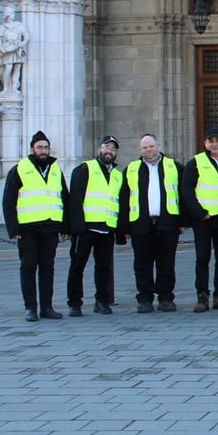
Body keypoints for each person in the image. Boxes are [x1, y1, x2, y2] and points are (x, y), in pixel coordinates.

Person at [3, 130, 70, 321]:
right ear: (32, 148)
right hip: (28, 229)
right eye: (40, 147)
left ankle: (47, 307)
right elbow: (8, 201)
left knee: (48, 267)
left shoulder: (55, 170)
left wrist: (65, 227)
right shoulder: (19, 169)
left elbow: (64, 198)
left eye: (46, 147)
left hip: (51, 227)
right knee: (28, 267)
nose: (43, 150)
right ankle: (30, 307)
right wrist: (13, 229)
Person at [119, 133, 185, 313]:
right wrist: (124, 227)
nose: (148, 150)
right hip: (140, 224)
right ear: (140, 150)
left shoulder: (174, 167)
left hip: (168, 222)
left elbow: (183, 194)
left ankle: (166, 298)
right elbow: (124, 198)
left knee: (167, 263)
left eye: (151, 146)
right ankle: (145, 299)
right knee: (142, 263)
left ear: (158, 146)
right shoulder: (131, 169)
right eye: (144, 147)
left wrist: (183, 221)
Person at [181, 127, 218, 313]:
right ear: (205, 143)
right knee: (202, 258)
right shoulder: (195, 163)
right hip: (204, 219)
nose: (214, 144)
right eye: (210, 141)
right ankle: (202, 296)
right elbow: (187, 191)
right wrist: (199, 213)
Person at [66, 135, 124, 316]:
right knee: (77, 266)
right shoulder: (85, 169)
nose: (109, 151)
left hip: (107, 228)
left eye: (113, 149)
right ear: (99, 149)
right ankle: (75, 303)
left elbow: (120, 204)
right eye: (106, 147)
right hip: (86, 228)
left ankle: (102, 301)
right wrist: (76, 227)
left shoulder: (117, 175)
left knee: (104, 267)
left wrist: (120, 231)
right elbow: (74, 200)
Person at [0, 7, 28, 94]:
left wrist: (23, 43)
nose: (14, 15)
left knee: (17, 67)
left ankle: (14, 88)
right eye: (12, 13)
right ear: (8, 15)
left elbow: (26, 35)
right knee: (8, 67)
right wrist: (1, 48)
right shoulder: (2, 27)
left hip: (17, 48)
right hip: (7, 49)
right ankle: (6, 88)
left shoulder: (19, 25)